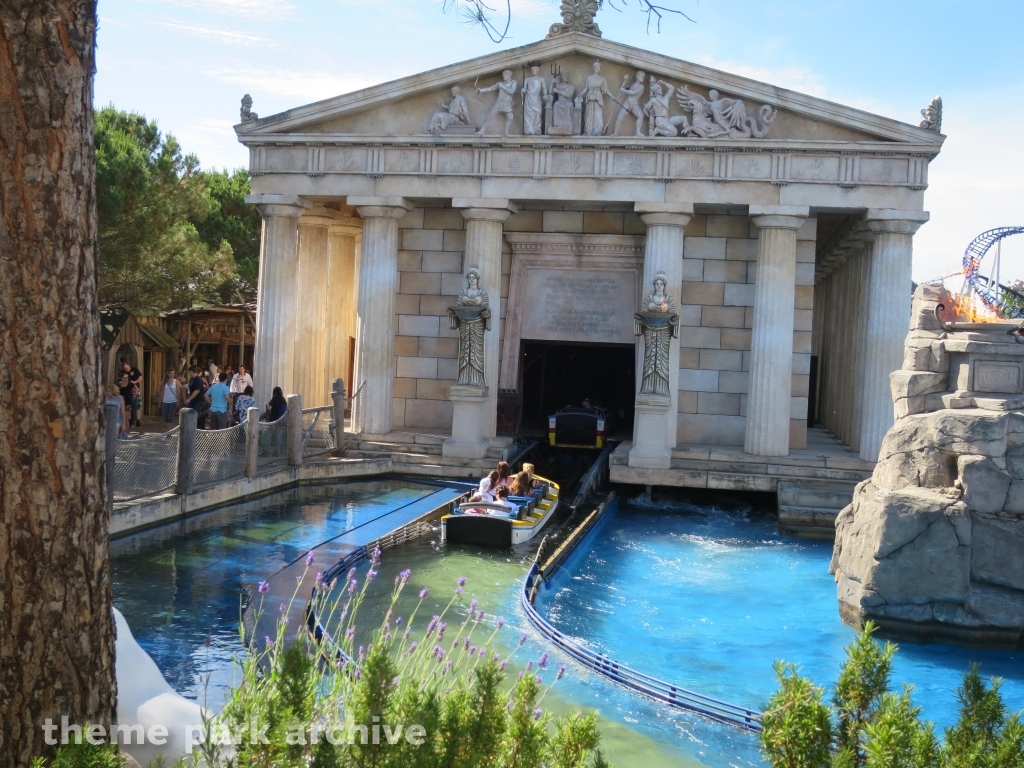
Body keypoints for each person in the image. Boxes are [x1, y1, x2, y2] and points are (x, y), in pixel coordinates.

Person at [120, 361, 143, 427]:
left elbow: (140, 378)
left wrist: (134, 382)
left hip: (135, 389)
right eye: (125, 369)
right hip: (127, 390)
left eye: (127, 368)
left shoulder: (134, 370)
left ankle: (138, 420)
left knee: (137, 405)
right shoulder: (123, 373)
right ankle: (130, 420)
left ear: (129, 366)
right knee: (128, 406)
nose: (126, 370)